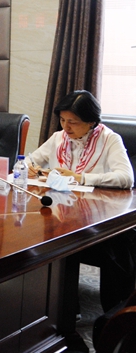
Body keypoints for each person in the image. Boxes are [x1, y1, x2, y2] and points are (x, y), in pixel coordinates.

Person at [29, 91, 135, 313]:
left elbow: (126, 178)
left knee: (114, 247)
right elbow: (29, 161)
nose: (66, 127)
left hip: (99, 217)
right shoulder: (59, 138)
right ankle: (57, 307)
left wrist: (81, 178)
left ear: (91, 122)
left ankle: (111, 314)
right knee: (37, 236)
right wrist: (33, 169)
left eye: (73, 122)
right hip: (62, 213)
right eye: (62, 120)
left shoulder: (109, 139)